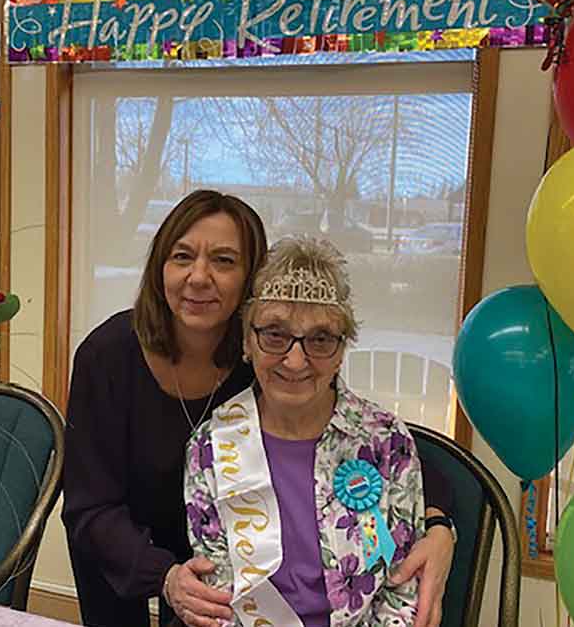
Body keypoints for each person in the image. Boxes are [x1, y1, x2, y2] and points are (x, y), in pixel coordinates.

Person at [63, 191, 456, 627]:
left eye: (224, 261)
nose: (199, 276)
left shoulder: (274, 353)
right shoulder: (109, 357)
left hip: (219, 577)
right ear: (160, 266)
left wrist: (439, 526)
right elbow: (90, 507)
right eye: (182, 256)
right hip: (131, 559)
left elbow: (378, 447)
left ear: (251, 281)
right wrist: (166, 577)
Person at [182, 237, 453, 626]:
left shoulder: (386, 443)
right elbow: (219, 599)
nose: (295, 361)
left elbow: (401, 590)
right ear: (247, 341)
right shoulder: (210, 446)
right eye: (275, 334)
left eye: (320, 339)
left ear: (343, 349)